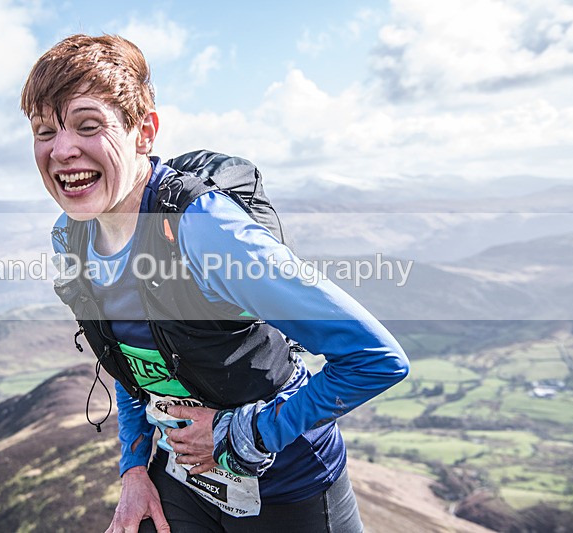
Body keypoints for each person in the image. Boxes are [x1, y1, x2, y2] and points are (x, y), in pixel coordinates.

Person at [21, 34, 410, 533]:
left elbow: (375, 359)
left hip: (289, 488)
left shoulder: (203, 229)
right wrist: (134, 467)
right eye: (44, 131)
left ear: (144, 132)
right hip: (183, 480)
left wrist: (241, 434)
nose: (62, 149)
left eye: (88, 125)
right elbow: (132, 361)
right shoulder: (71, 236)